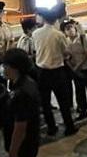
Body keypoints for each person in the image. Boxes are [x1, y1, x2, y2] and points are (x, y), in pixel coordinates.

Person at [32, 8, 77, 136]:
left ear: (44, 19)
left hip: (41, 72)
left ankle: (51, 127)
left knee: (45, 102)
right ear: (55, 20)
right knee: (63, 101)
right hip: (57, 72)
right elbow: (66, 52)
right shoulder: (59, 35)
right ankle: (69, 127)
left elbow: (36, 49)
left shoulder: (35, 33)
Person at [63, 20, 87, 124]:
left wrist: (77, 67)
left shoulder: (82, 38)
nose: (70, 30)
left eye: (71, 27)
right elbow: (66, 57)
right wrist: (72, 68)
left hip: (86, 69)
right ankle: (83, 111)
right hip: (75, 71)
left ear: (75, 29)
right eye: (67, 29)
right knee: (79, 93)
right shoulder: (66, 41)